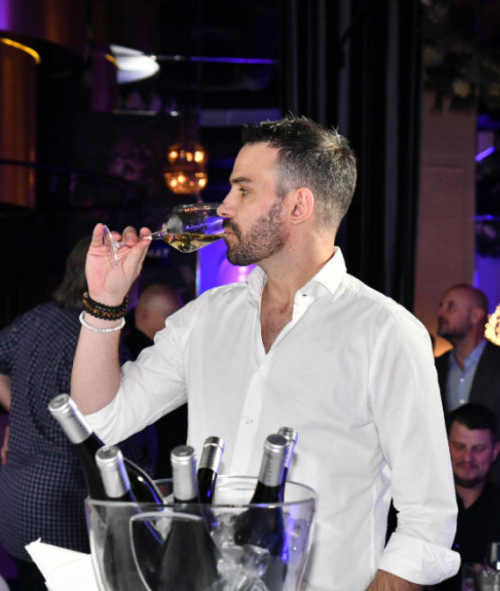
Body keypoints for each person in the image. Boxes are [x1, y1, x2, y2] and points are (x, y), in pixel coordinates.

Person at [71, 115, 459, 590]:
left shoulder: (387, 333)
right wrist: (106, 303)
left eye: (243, 190)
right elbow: (101, 420)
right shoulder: (207, 317)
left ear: (298, 206)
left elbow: (427, 520)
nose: (224, 206)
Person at [0, 237, 157, 591]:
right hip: (65, 511)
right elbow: (121, 441)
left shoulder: (38, 319)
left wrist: (18, 408)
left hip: (16, 504)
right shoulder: (100, 343)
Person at [434, 284, 500, 514]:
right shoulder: (435, 368)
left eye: (450, 307)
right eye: (441, 306)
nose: (440, 313)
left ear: (476, 315)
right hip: (450, 504)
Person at [431, 403, 500, 590]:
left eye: (478, 448)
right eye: (459, 447)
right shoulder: (418, 508)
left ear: (495, 451)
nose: (467, 458)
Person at [122, 283, 187, 479]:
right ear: (143, 316)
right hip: (155, 472)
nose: (177, 323)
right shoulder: (133, 357)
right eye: (170, 316)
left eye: (181, 316)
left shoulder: (169, 354)